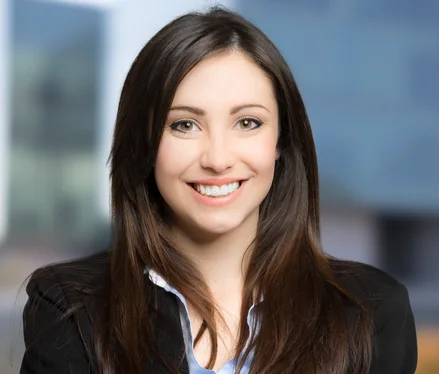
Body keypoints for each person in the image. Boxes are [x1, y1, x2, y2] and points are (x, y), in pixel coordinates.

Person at [20, 7, 417, 374]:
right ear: (144, 143)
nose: (218, 158)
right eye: (184, 125)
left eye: (247, 123)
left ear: (281, 141)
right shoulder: (71, 308)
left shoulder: (372, 312)